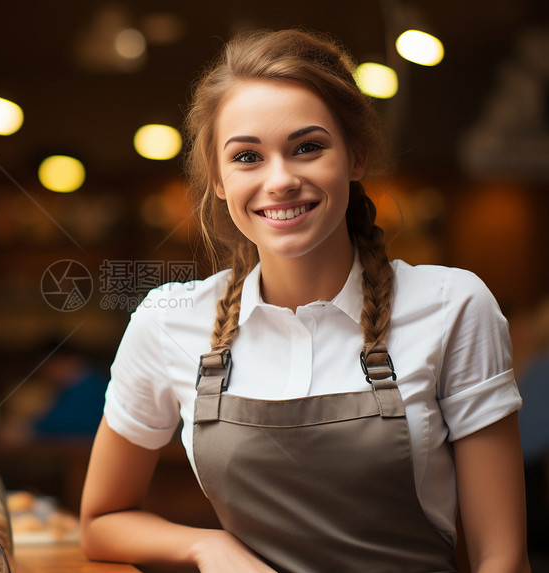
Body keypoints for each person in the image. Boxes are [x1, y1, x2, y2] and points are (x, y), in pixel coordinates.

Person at [79, 29, 530, 572]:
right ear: (219, 180)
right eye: (247, 156)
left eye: (308, 147)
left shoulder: (453, 305)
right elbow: (101, 523)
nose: (281, 180)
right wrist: (208, 546)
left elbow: (502, 560)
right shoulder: (168, 321)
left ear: (356, 155)